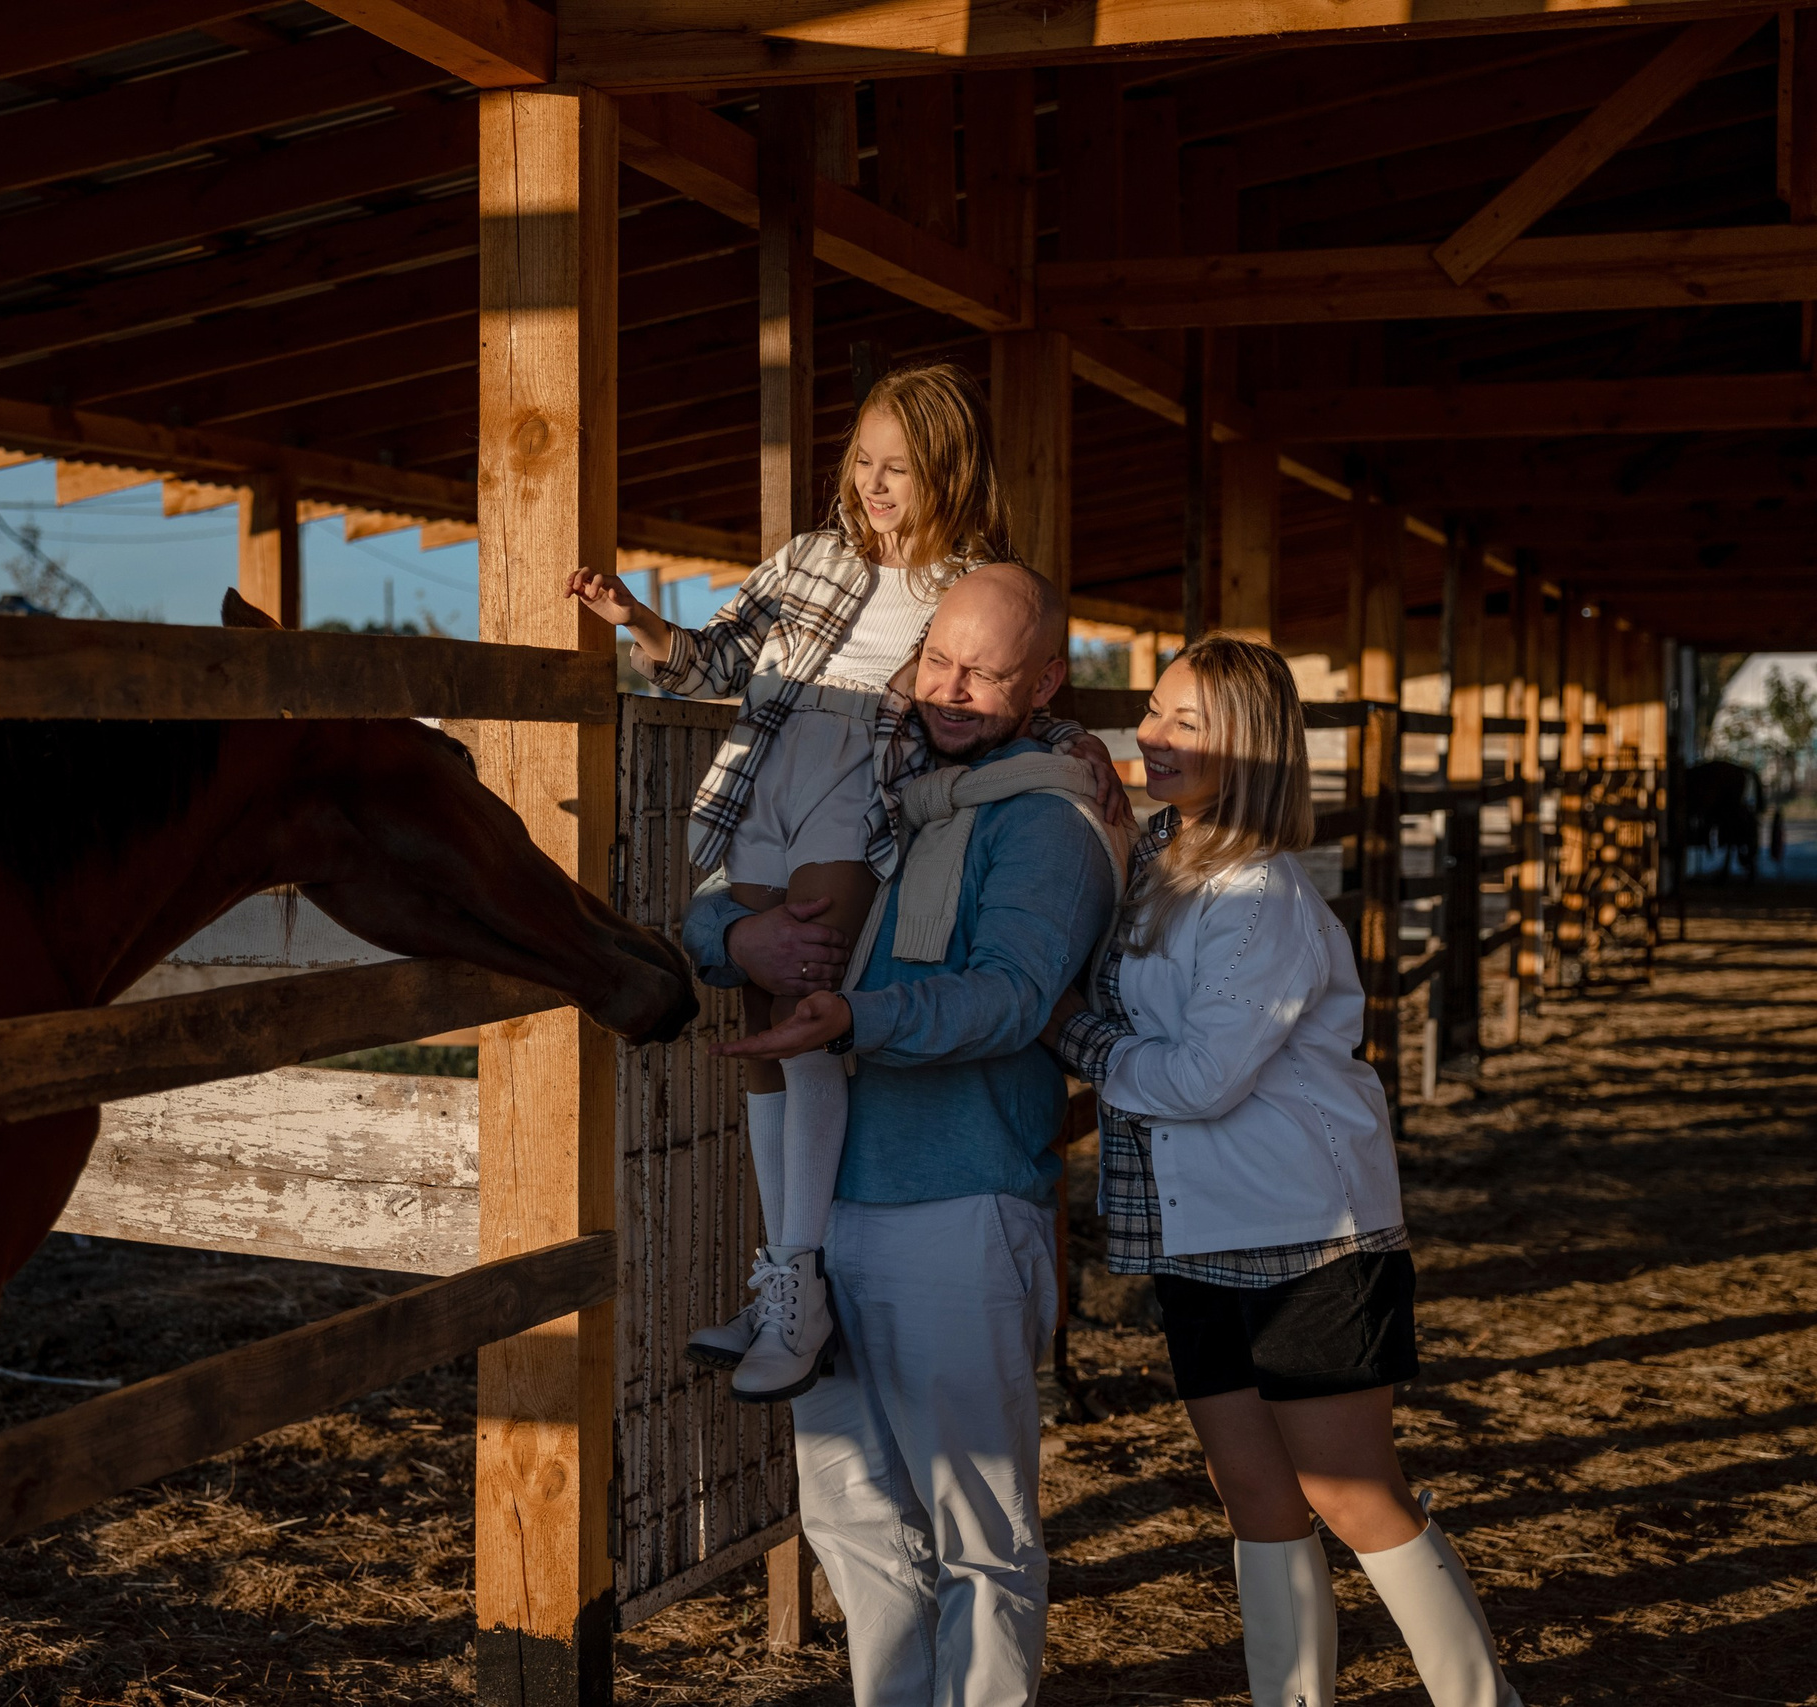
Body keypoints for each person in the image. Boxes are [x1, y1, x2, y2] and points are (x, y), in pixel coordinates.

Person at [567, 363, 1112, 1402]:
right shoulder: (807, 560)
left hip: (864, 791)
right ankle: (789, 1273)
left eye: (897, 469)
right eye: (862, 461)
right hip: (766, 777)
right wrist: (637, 622)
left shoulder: (971, 583)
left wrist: (1080, 745)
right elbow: (718, 658)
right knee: (766, 1007)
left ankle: (796, 1274)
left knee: (806, 989)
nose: (873, 484)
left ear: (948, 473)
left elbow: (1010, 692)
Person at [1041, 634, 1524, 1707]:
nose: (1153, 738)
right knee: (1252, 1493)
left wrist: (1072, 1036)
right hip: (1194, 1232)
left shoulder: (1257, 896)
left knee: (1352, 1494)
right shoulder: (1157, 859)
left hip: (1304, 1232)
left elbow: (1204, 1077)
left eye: (1186, 724)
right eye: (1154, 713)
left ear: (1250, 749)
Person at [700, 563, 1125, 1707]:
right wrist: (735, 942)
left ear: (1045, 682)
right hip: (826, 1216)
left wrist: (858, 1015)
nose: (951, 687)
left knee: (976, 1527)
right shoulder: (886, 789)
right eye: (938, 657)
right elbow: (709, 897)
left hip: (959, 1203)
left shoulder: (1048, 824)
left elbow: (1011, 996)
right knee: (846, 1511)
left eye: (985, 673)